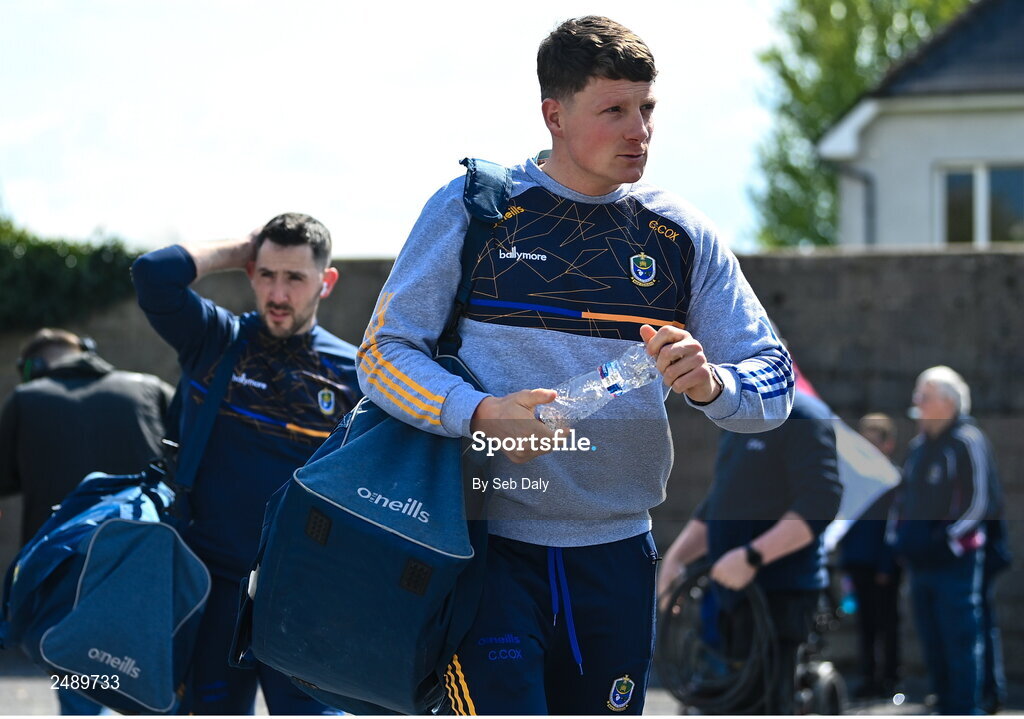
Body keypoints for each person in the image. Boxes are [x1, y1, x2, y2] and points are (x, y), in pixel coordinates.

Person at [356, 16, 794, 715]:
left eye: (647, 108)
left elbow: (773, 378)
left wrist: (715, 383)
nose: (639, 131)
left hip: (618, 557)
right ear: (554, 115)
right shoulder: (475, 211)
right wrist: (480, 413)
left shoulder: (680, 234)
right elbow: (383, 354)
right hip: (481, 549)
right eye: (614, 110)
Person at [131, 213, 359, 715]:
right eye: (267, 274)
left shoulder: (356, 376)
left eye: (295, 277)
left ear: (327, 282)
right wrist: (241, 250)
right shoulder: (213, 340)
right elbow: (152, 274)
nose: (277, 294)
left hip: (305, 602)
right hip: (210, 592)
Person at [0, 327, 173, 716]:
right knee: (159, 689)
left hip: (65, 589)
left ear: (33, 367)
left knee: (82, 695)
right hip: (152, 576)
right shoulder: (149, 388)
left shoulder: (26, 400)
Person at [658, 382, 842, 714]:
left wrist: (752, 556)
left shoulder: (804, 416)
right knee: (722, 700)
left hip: (779, 597)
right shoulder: (737, 418)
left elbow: (820, 503)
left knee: (765, 703)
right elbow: (721, 501)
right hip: (730, 595)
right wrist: (676, 559)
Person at [888, 366, 993, 715]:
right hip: (920, 562)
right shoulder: (918, 447)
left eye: (925, 396)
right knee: (931, 640)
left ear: (948, 402)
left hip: (955, 563)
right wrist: (898, 540)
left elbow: (979, 502)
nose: (916, 402)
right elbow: (901, 500)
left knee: (960, 640)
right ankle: (944, 703)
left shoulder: (967, 440)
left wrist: (945, 541)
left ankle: (966, 709)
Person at [837, 413, 902, 699]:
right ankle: (868, 677)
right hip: (858, 561)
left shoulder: (893, 480)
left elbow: (895, 525)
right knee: (865, 625)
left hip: (883, 564)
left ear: (888, 445)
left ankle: (890, 679)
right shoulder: (855, 478)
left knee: (887, 623)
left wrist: (887, 564)